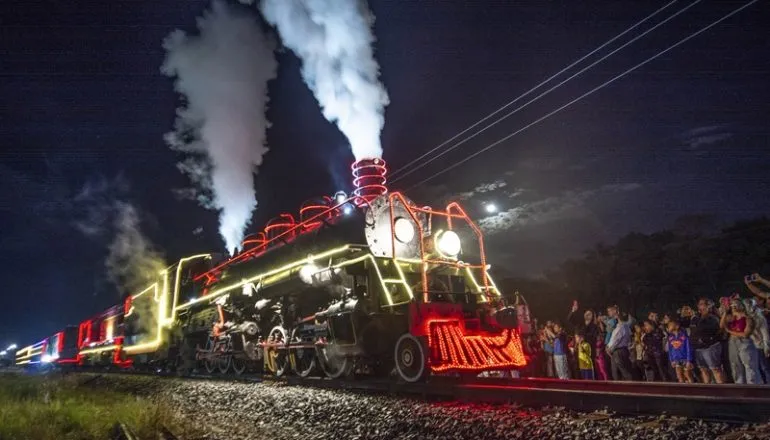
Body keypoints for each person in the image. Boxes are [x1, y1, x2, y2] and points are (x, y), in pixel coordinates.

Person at [721, 298, 761, 384]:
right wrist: (725, 312)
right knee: (735, 365)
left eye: (736, 304)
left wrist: (729, 331)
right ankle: (739, 386)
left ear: (742, 306)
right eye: (732, 304)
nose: (733, 305)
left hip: (745, 343)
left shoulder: (748, 318)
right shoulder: (731, 318)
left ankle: (753, 386)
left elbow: (745, 334)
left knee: (749, 365)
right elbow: (721, 325)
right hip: (732, 342)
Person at [690, 298, 725, 384]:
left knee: (715, 369)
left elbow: (717, 330)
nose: (702, 306)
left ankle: (722, 390)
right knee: (703, 369)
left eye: (704, 304)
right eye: (700, 304)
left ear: (709, 306)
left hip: (710, 347)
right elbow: (693, 331)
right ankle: (707, 390)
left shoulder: (713, 318)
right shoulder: (695, 318)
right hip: (698, 348)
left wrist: (705, 316)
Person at [744, 298, 770, 384]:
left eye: (750, 305)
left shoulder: (759, 316)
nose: (748, 307)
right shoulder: (743, 316)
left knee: (764, 367)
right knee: (755, 367)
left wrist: (766, 347)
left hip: (759, 345)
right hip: (748, 345)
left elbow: (765, 333)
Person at [606, 311, 634, 381]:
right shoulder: (627, 327)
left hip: (618, 351)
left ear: (618, 317)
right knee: (620, 371)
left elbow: (615, 340)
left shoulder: (620, 327)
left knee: (621, 372)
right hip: (623, 350)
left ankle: (629, 387)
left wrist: (609, 349)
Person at [667, 318, 695, 383]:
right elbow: (670, 350)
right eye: (668, 326)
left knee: (688, 375)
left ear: (677, 326)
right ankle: (682, 390)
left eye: (670, 325)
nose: (669, 327)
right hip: (676, 359)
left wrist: (689, 360)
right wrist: (672, 360)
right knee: (679, 375)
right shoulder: (670, 337)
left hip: (685, 359)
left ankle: (692, 389)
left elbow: (688, 348)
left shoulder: (684, 335)